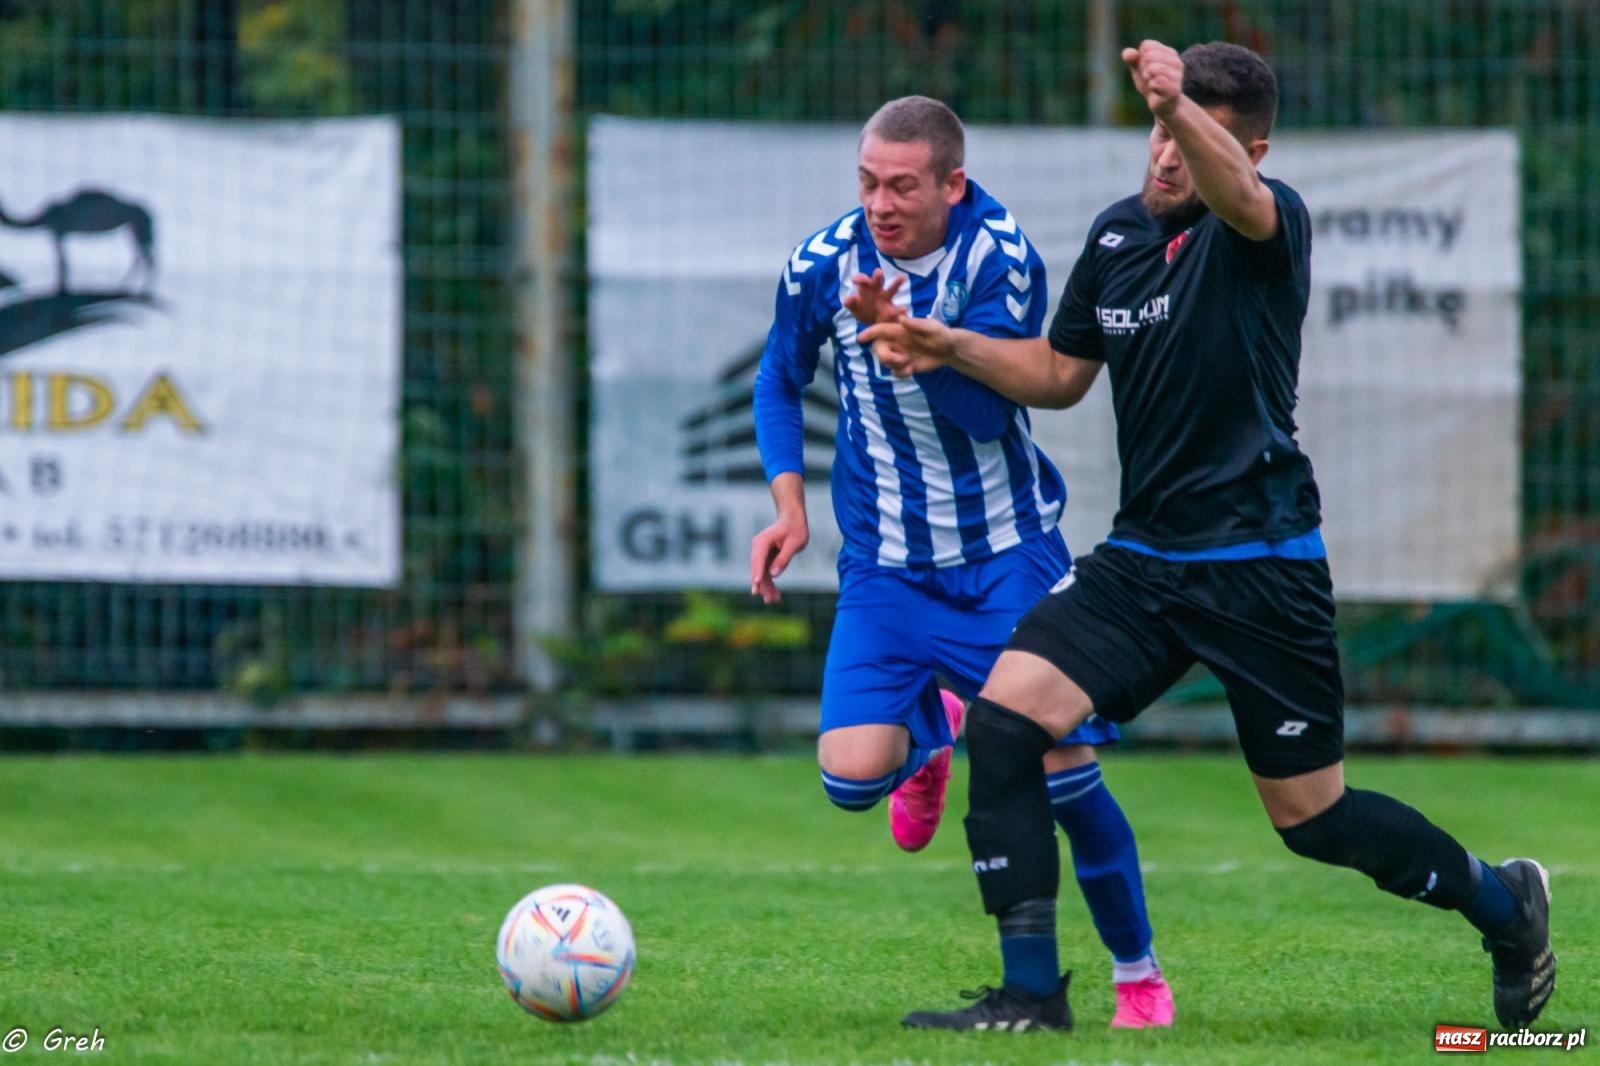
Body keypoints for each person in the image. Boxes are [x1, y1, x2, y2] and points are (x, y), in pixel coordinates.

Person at [856, 43, 1555, 1033]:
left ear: (1250, 147)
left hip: (1259, 568)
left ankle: (1503, 904)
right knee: (1005, 720)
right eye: (1158, 130)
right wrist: (943, 344)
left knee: (1313, 819)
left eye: (1193, 134)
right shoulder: (1115, 238)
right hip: (1143, 563)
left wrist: (1184, 107)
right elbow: (1060, 374)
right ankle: (1029, 993)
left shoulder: (1262, 229)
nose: (1167, 152)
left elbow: (1237, 194)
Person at [750, 95, 1175, 1028]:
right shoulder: (824, 264)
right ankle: (936, 731)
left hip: (1004, 563)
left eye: (903, 186)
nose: (880, 203)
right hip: (886, 570)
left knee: (1064, 767)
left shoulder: (999, 257)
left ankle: (1139, 979)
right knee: (850, 780)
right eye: (868, 182)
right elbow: (778, 378)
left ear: (953, 182)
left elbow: (992, 417)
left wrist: (920, 351)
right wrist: (788, 504)